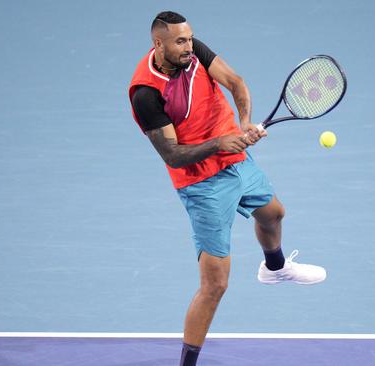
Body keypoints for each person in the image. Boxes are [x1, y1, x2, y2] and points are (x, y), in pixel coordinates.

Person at [128, 11, 327, 366]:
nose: (188, 46)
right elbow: (172, 155)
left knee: (274, 214)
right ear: (158, 44)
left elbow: (235, 82)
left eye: (189, 38)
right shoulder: (146, 94)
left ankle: (275, 268)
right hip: (201, 184)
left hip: (235, 161)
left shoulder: (194, 52)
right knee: (215, 286)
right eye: (179, 41)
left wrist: (245, 122)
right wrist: (222, 142)